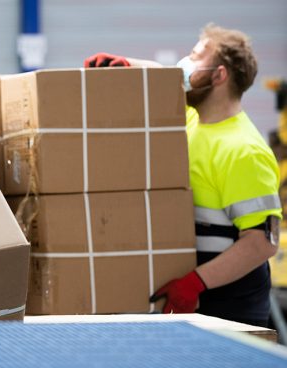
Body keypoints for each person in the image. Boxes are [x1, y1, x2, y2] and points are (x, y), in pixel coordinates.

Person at [84, 24, 281, 327]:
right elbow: (164, 76)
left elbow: (261, 243)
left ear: (219, 75)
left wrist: (195, 282)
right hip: (190, 300)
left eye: (194, 56)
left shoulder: (244, 150)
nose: (184, 66)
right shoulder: (190, 120)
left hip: (229, 309)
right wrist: (124, 64)